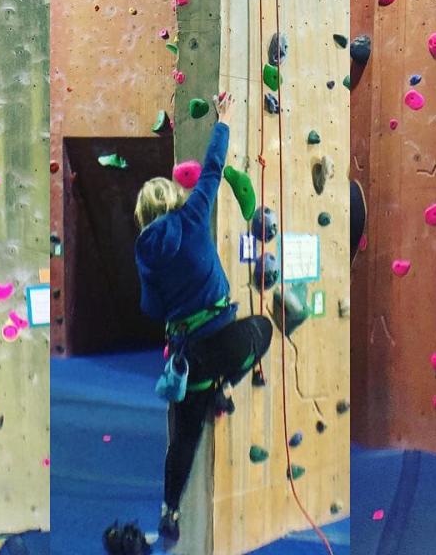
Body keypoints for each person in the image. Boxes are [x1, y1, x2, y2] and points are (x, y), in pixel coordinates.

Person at [122, 92, 273, 551]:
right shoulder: (190, 216)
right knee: (264, 329)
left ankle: (169, 511)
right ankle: (227, 386)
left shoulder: (143, 253)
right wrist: (223, 118)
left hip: (189, 358)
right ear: (172, 201)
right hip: (226, 343)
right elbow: (211, 169)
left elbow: (151, 309)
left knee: (183, 442)